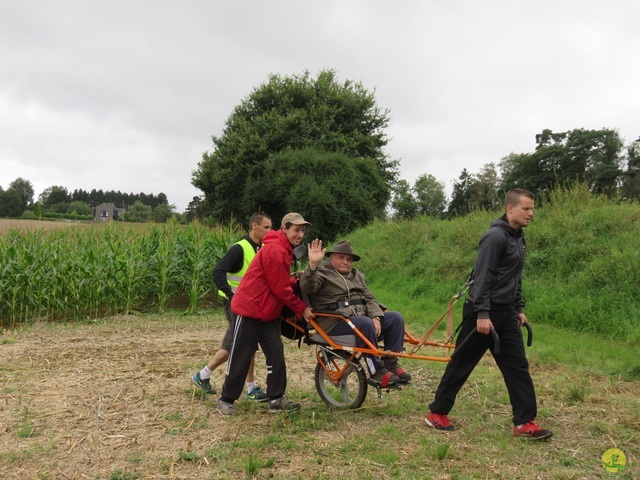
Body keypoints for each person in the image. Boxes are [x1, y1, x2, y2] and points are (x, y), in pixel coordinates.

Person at [425, 188, 552, 440]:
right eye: (526, 208)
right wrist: (483, 314)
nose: (531, 213)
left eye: (531, 208)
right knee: (462, 364)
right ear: (510, 209)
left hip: (505, 314)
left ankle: (524, 422)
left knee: (517, 366)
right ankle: (436, 413)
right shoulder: (495, 236)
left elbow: (513, 277)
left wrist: (518, 308)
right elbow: (483, 277)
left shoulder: (518, 237)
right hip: (481, 313)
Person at [217, 213, 315, 415]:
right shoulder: (276, 250)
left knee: (276, 355)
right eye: (296, 230)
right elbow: (279, 288)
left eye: (302, 230)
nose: (300, 234)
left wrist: (293, 280)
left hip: (269, 312)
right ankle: (226, 400)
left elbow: (276, 280)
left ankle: (276, 399)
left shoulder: (283, 249)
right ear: (285, 228)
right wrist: (301, 308)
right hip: (250, 310)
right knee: (240, 356)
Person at [300, 239, 411, 387]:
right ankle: (377, 372)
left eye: (349, 259)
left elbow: (370, 298)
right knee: (365, 324)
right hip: (335, 322)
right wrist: (313, 265)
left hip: (359, 319)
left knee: (395, 318)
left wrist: (376, 317)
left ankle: (390, 363)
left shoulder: (357, 276)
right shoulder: (321, 274)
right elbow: (308, 286)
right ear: (331, 258)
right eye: (341, 257)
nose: (345, 262)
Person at [191, 212, 272, 402]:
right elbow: (218, 270)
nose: (270, 230)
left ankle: (205, 375)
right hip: (236, 304)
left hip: (250, 304)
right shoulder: (240, 248)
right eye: (266, 227)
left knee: (245, 344)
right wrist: (230, 294)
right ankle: (245, 386)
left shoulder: (261, 248)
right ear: (254, 226)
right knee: (239, 344)